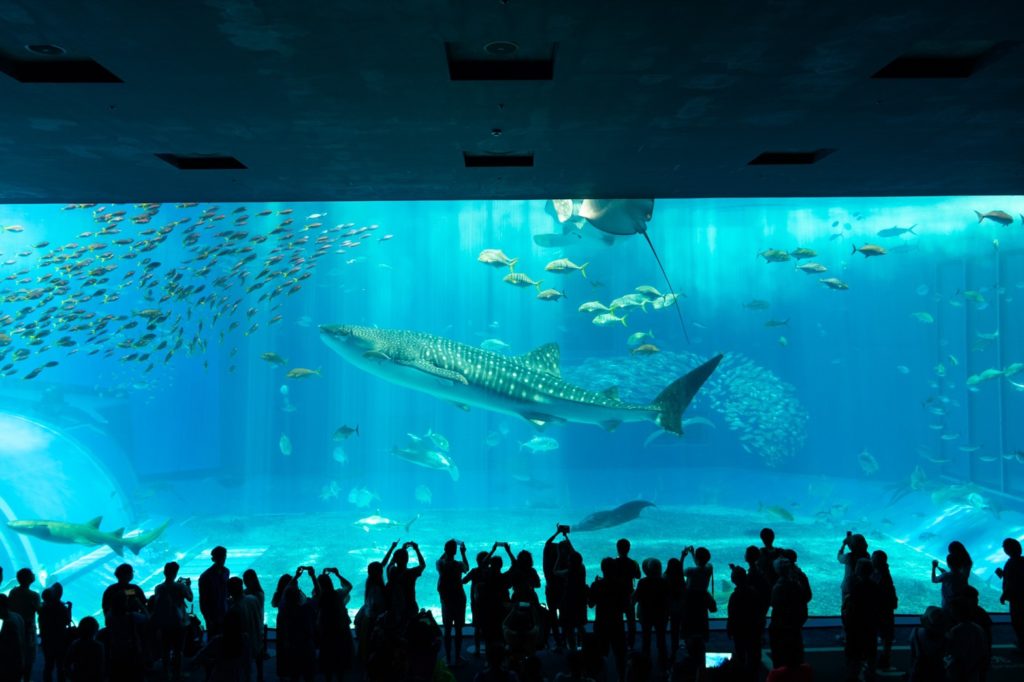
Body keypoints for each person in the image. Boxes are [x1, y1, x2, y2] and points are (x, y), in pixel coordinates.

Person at [151, 561, 193, 680]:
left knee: (165, 649)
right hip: (179, 623)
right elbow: (190, 598)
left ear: (164, 572)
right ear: (176, 573)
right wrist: (188, 586)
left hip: (164, 623)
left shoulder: (158, 588)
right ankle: (177, 673)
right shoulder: (180, 586)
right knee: (178, 650)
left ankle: (166, 672)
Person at [842, 558, 880, 681]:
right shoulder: (875, 587)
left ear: (857, 571)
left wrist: (846, 626)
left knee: (853, 657)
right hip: (870, 628)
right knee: (871, 656)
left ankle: (852, 677)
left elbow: (848, 611)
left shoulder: (854, 589)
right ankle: (870, 676)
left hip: (855, 629)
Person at [588, 557, 626, 681]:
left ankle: (600, 678)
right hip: (617, 623)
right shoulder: (621, 585)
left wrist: (592, 589)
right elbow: (624, 607)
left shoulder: (596, 585)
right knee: (619, 654)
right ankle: (622, 677)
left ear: (602, 569)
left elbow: (591, 604)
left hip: (601, 623)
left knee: (600, 654)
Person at [314, 569, 354, 682]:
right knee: (339, 658)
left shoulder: (320, 597)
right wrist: (338, 574)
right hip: (340, 631)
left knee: (327, 659)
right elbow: (349, 586)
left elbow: (317, 591)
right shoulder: (338, 594)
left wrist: (315, 577)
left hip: (326, 632)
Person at [768, 559, 808, 668]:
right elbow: (806, 597)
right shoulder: (797, 584)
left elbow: (774, 604)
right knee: (795, 649)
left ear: (777, 571)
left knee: (779, 653)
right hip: (795, 623)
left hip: (781, 624)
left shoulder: (779, 586)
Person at [726, 565, 762, 682]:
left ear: (733, 580)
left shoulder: (734, 596)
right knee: (754, 654)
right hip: (753, 629)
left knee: (740, 653)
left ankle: (741, 676)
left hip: (740, 630)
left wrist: (729, 630)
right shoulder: (754, 592)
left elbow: (732, 616)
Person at [437, 539, 470, 666]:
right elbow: (467, 568)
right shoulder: (458, 565)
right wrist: (463, 553)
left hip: (446, 600)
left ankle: (448, 657)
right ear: (455, 551)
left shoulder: (440, 564)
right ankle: (457, 656)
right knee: (458, 629)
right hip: (459, 599)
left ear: (444, 550)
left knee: (447, 629)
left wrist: (448, 549)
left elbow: (443, 557)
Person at [681, 545, 714, 668]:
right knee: (701, 621)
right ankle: (700, 645)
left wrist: (683, 556)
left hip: (690, 600)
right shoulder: (709, 568)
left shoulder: (690, 571)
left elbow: (680, 572)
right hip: (702, 599)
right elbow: (702, 563)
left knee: (689, 623)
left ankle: (690, 650)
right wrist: (694, 554)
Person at [633, 557, 668, 669]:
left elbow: (636, 597)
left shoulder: (643, 582)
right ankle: (663, 664)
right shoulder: (664, 582)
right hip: (661, 615)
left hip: (646, 614)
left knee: (646, 638)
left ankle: (645, 663)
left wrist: (630, 603)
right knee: (661, 639)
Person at [8, 568, 41, 682]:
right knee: (29, 658)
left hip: (15, 628)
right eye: (32, 574)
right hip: (28, 631)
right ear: (28, 579)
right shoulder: (34, 595)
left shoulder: (13, 592)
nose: (34, 575)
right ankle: (26, 679)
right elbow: (40, 611)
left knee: (15, 656)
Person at [945, 597, 987, 682]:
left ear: (956, 612)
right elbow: (983, 650)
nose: (950, 612)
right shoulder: (978, 628)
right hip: (974, 667)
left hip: (958, 668)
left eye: (952, 610)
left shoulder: (955, 630)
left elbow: (949, 650)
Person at [543, 524, 571, 650]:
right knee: (564, 615)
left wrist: (556, 533)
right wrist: (565, 536)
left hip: (550, 590)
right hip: (562, 590)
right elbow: (572, 552)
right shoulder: (564, 562)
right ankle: (564, 639)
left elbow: (547, 543)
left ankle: (557, 640)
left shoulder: (547, 561)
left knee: (552, 615)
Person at [610, 538, 641, 649]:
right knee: (631, 620)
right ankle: (630, 643)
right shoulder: (633, 563)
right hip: (629, 594)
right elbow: (638, 576)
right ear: (629, 549)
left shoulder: (613, 563)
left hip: (616, 595)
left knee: (617, 619)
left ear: (617, 548)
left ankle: (619, 640)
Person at [38, 585, 72, 682]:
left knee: (48, 664)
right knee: (60, 666)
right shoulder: (61, 607)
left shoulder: (43, 607)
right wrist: (69, 608)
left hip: (47, 639)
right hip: (60, 639)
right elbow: (67, 621)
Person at [871, 550, 898, 670]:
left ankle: (881, 660)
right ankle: (884, 660)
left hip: (882, 610)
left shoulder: (879, 574)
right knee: (886, 636)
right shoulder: (883, 572)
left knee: (884, 635)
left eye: (873, 558)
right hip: (885, 609)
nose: (871, 560)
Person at [996, 537, 1024, 648]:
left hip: (1016, 597)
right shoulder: (1022, 560)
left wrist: (1004, 595)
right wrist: (1003, 574)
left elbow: (1012, 581)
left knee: (1017, 621)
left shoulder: (1011, 563)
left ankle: (1022, 644)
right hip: (1021, 595)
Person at [199, 546, 231, 638]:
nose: (223, 559)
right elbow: (203, 600)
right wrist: (208, 619)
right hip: (213, 616)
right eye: (220, 556)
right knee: (213, 642)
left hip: (225, 613)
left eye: (224, 556)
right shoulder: (205, 577)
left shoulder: (226, 572)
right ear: (213, 558)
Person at [907, 606, 946, 682]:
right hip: (937, 672)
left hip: (919, 670)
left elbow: (912, 655)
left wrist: (911, 671)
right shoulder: (944, 637)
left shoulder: (915, 632)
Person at [64, 616, 104, 682]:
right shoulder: (98, 646)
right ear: (95, 630)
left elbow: (66, 664)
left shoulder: (75, 644)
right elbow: (101, 666)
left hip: (78, 677)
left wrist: (71, 676)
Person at [0, 594, 27, 682]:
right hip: (20, 661)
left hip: (10, 665)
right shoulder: (18, 616)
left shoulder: (8, 623)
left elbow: (13, 645)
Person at [837, 532, 868, 602]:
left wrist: (844, 545)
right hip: (863, 587)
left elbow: (839, 557)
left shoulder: (849, 557)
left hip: (849, 587)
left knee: (847, 608)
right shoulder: (867, 555)